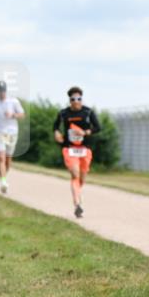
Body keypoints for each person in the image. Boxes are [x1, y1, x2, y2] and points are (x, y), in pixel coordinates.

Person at [53, 86, 101, 218]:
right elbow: (55, 126)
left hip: (85, 149)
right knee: (75, 174)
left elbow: (98, 127)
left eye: (79, 98)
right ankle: (77, 204)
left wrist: (85, 132)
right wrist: (56, 133)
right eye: (73, 99)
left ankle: (78, 195)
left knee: (82, 177)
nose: (76, 101)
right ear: (70, 100)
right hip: (69, 149)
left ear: (81, 99)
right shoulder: (63, 113)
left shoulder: (88, 112)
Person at [0, 81, 26, 194]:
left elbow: (22, 115)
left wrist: (13, 115)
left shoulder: (13, 102)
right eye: (0, 91)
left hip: (11, 133)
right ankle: (3, 182)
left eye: (3, 91)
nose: (2, 93)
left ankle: (3, 175)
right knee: (1, 158)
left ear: (6, 90)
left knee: (8, 160)